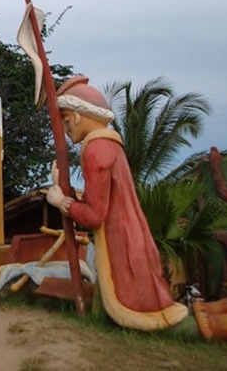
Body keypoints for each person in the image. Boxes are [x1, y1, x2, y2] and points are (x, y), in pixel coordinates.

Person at [46, 76, 188, 331]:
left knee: (141, 305)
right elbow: (95, 202)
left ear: (77, 116)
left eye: (66, 121)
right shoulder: (109, 146)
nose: (66, 130)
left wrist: (61, 202)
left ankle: (214, 324)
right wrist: (64, 187)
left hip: (121, 245)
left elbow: (93, 215)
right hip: (130, 238)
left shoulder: (96, 150)